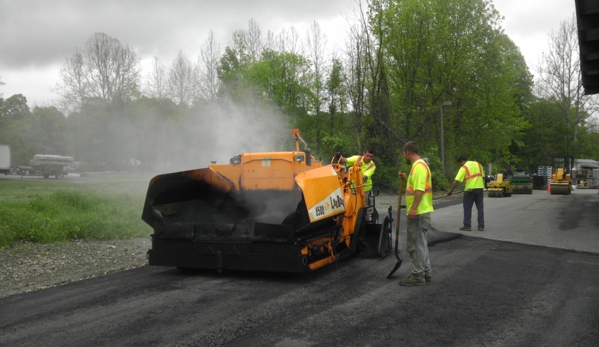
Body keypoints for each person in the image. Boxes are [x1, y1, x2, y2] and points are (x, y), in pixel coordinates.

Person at [398, 141, 433, 286]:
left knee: (415, 245)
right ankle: (426, 272)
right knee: (421, 244)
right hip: (422, 211)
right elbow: (416, 185)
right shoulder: (420, 166)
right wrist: (407, 179)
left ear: (407, 152)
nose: (404, 157)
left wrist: (413, 208)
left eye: (403, 155)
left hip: (418, 213)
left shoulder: (418, 167)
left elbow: (420, 190)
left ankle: (418, 276)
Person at [446, 155, 485, 231]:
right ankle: (481, 226)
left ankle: (467, 226)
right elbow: (482, 177)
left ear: (462, 161)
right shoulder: (478, 164)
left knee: (467, 208)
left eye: (459, 163)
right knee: (480, 208)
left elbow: (456, 181)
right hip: (480, 189)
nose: (460, 165)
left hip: (469, 190)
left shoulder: (464, 167)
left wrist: (450, 191)